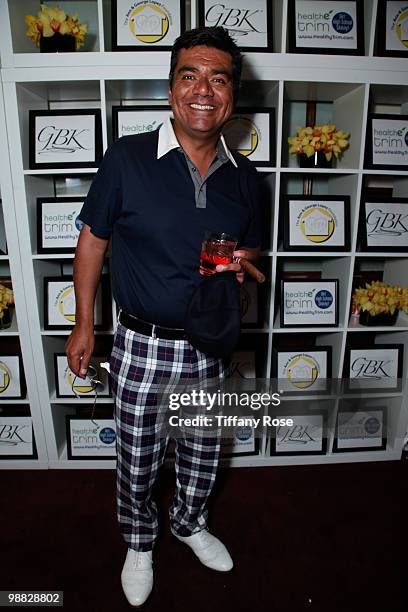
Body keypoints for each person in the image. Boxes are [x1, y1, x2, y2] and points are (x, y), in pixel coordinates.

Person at [65, 26, 262, 607]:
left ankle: (188, 522)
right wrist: (83, 324)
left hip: (210, 342)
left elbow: (250, 257)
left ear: (232, 95)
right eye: (190, 75)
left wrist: (244, 265)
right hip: (142, 342)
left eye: (218, 77)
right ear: (172, 89)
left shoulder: (246, 179)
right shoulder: (126, 158)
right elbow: (92, 242)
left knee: (203, 449)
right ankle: (140, 540)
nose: (204, 89)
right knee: (138, 454)